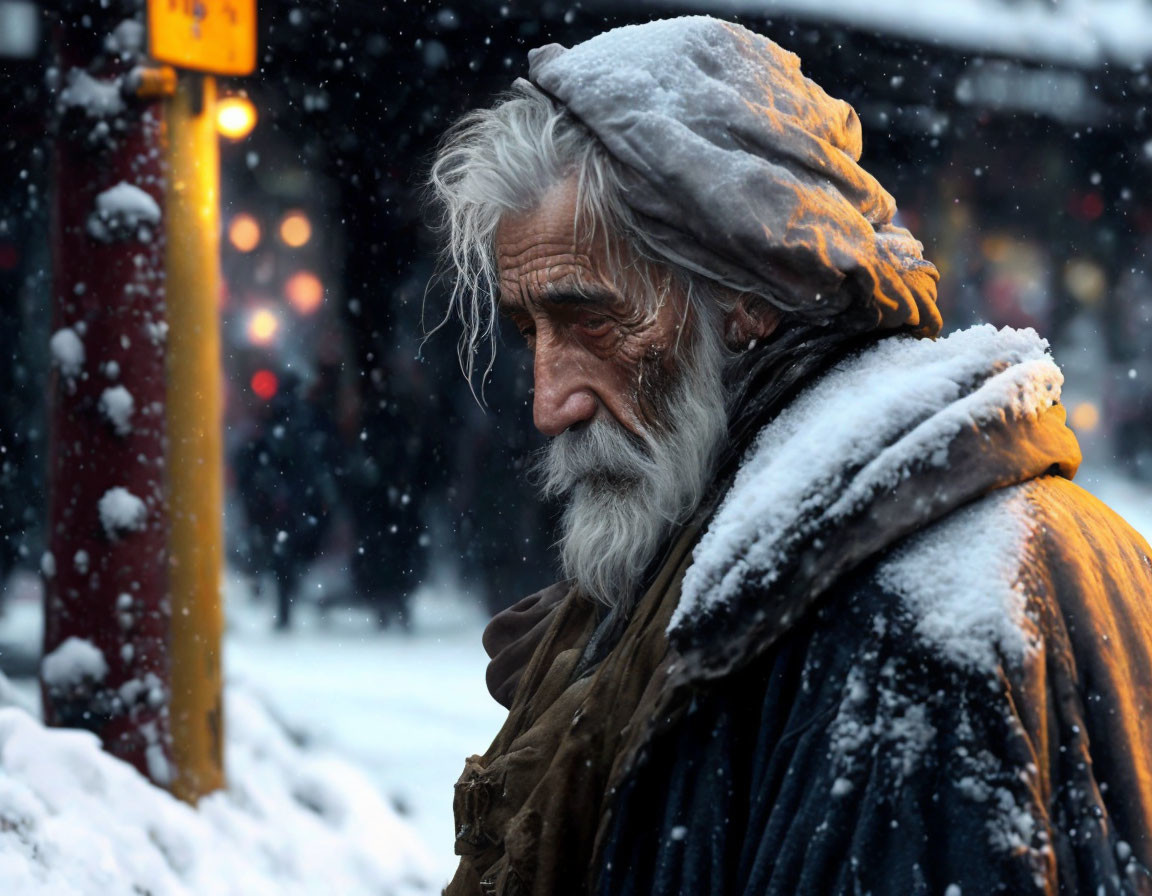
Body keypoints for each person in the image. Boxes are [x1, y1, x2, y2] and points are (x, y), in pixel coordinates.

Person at [429, 17, 1152, 896]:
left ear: (750, 298)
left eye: (593, 319)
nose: (551, 403)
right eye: (529, 330)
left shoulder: (908, 630)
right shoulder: (764, 575)